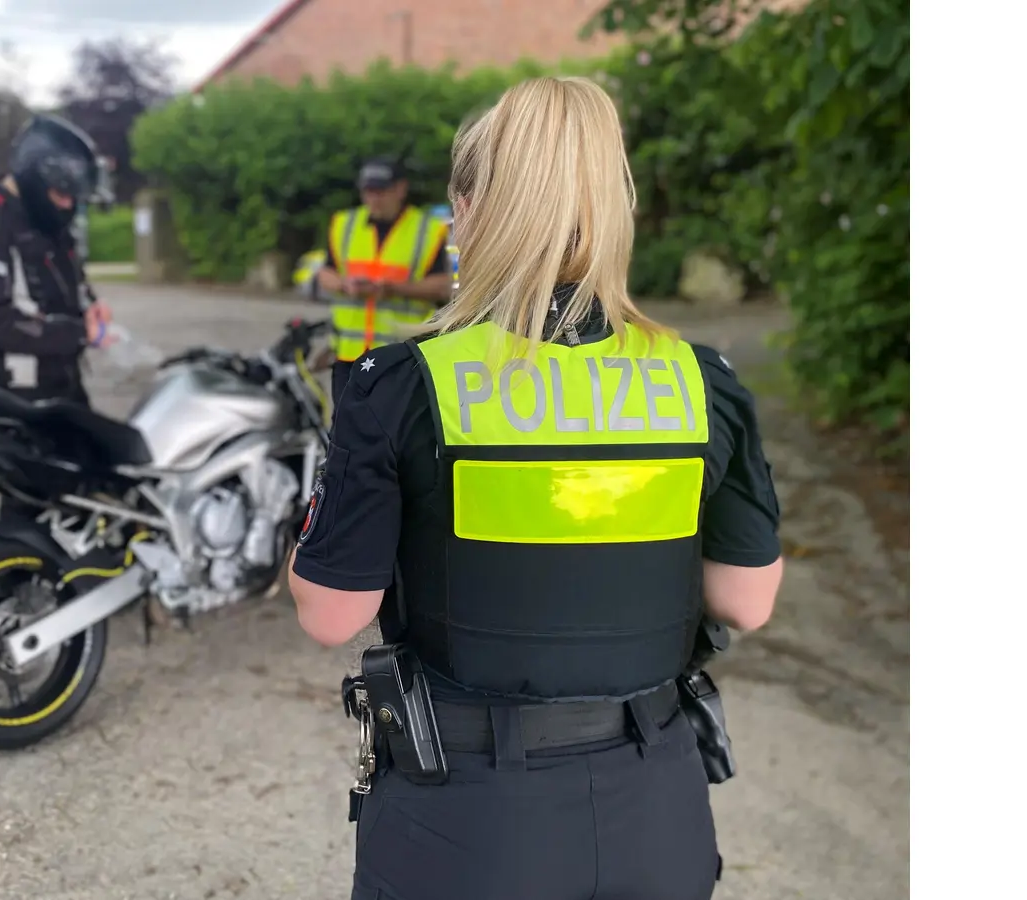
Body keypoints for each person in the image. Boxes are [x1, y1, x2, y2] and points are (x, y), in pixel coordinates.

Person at [287, 76, 785, 900]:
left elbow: (331, 611)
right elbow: (746, 601)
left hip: (466, 822)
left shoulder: (403, 384)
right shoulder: (705, 383)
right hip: (656, 803)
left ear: (472, 209)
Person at [0, 113, 114, 406]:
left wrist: (90, 306)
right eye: (62, 193)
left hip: (61, 383)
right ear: (34, 177)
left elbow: (70, 276)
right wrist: (78, 334)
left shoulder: (48, 219)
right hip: (11, 394)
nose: (69, 204)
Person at [310, 157, 454, 404]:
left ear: (400, 189)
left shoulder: (427, 230)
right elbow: (326, 273)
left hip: (399, 356)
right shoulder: (344, 224)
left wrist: (392, 289)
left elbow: (442, 286)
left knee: (394, 436)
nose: (374, 198)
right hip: (349, 355)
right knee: (345, 433)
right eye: (368, 191)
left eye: (381, 191)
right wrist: (345, 285)